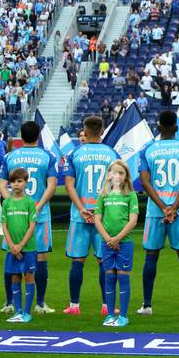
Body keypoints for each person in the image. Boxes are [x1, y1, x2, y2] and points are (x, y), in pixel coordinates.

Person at [137, 110, 179, 316]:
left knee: (151, 256)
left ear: (158, 127)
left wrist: (163, 207)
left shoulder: (147, 150)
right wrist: (172, 207)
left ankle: (147, 305)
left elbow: (145, 182)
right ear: (176, 128)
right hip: (178, 210)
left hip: (156, 211)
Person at [0, 120, 60, 314]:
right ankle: (40, 304)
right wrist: (38, 205)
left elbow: (0, 184)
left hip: (15, 215)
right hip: (39, 215)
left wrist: (12, 202)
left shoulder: (10, 156)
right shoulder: (47, 156)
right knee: (40, 257)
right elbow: (51, 185)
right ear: (38, 136)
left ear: (21, 136)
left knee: (12, 256)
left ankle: (9, 302)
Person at [62, 115, 119, 316]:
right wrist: (100, 208)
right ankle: (107, 306)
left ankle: (74, 306)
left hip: (80, 215)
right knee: (104, 261)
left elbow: (69, 184)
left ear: (84, 133)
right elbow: (116, 185)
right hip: (104, 217)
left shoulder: (75, 153)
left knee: (78, 260)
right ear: (102, 132)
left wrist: (81, 208)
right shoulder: (112, 154)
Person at [96, 160, 139, 328]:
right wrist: (108, 239)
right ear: (109, 175)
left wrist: (117, 238)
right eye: (115, 172)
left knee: (122, 276)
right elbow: (98, 219)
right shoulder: (103, 195)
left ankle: (123, 316)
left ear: (126, 176)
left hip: (124, 243)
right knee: (110, 277)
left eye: (121, 173)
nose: (117, 176)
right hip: (106, 243)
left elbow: (133, 220)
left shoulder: (131, 195)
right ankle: (109, 315)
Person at [1, 168, 39, 324]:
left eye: (19, 181)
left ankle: (26, 312)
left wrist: (21, 245)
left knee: (29, 276)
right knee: (14, 276)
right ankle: (17, 311)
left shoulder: (30, 202)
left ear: (25, 183)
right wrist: (12, 245)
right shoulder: (7, 202)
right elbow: (4, 226)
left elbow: (32, 226)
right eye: (13, 181)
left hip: (28, 248)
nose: (16, 184)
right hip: (12, 249)